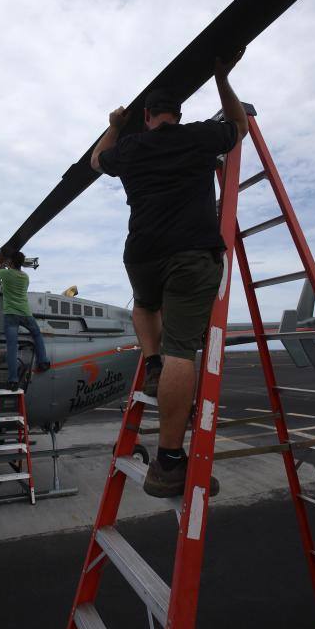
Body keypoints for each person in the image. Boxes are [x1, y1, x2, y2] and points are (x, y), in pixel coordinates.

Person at [90, 51, 248, 498]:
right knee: (185, 349)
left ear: (146, 115)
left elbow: (96, 162)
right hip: (190, 253)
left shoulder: (131, 147)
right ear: (177, 115)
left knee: (143, 304)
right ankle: (169, 461)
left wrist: (116, 124)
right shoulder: (198, 137)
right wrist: (222, 79)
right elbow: (241, 127)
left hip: (141, 252)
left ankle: (153, 364)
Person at [0, 249, 50, 390]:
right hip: (26, 313)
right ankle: (43, 361)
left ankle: (13, 380)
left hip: (11, 315)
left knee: (12, 347)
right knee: (37, 334)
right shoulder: (25, 277)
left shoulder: (5, 273)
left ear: (10, 261)